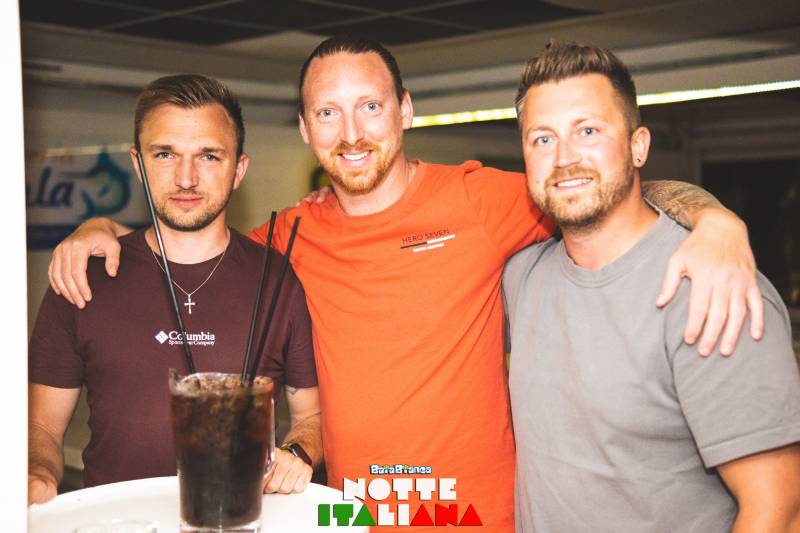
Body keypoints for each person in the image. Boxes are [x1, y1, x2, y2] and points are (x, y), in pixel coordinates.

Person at [48, 37, 763, 531]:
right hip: (347, 517)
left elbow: (592, 188)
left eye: (370, 106)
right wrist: (100, 228)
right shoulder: (284, 240)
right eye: (328, 112)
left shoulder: (480, 200)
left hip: (477, 519)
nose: (352, 132)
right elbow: (191, 233)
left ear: (406, 111)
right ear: (305, 129)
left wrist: (715, 220)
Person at [504, 41, 800, 532]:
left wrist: (715, 220)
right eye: (542, 139)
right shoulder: (523, 277)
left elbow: (781, 511)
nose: (564, 157)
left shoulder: (711, 289)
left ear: (638, 146)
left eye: (588, 131)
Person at [27, 75, 323, 506]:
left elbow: (312, 416)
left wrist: (297, 453)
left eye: (209, 156)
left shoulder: (277, 280)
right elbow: (41, 427)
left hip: (237, 520)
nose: (186, 178)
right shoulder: (82, 277)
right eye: (165, 154)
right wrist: (37, 471)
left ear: (239, 169)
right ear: (138, 163)